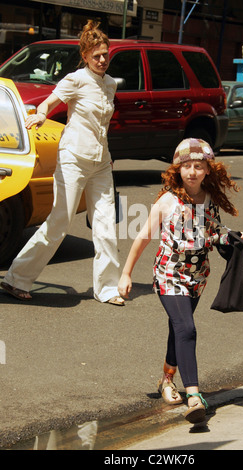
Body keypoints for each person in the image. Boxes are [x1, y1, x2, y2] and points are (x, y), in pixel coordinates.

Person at [118, 138, 243, 423]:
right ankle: (194, 395)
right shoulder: (167, 201)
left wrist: (230, 238)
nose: (192, 172)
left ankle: (166, 380)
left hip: (198, 278)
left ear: (208, 170)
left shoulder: (209, 201)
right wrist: (126, 273)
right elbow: (143, 237)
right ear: (177, 169)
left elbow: (211, 235)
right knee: (187, 328)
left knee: (179, 329)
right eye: (186, 166)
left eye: (198, 166)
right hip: (168, 275)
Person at [1, 20, 124, 306]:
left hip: (101, 163)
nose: (103, 60)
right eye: (97, 56)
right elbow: (49, 103)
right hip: (73, 159)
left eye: (105, 54)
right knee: (60, 221)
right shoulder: (75, 80)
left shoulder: (109, 85)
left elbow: (101, 126)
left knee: (106, 226)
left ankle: (107, 289)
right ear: (85, 56)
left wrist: (108, 154)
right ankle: (16, 279)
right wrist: (41, 114)